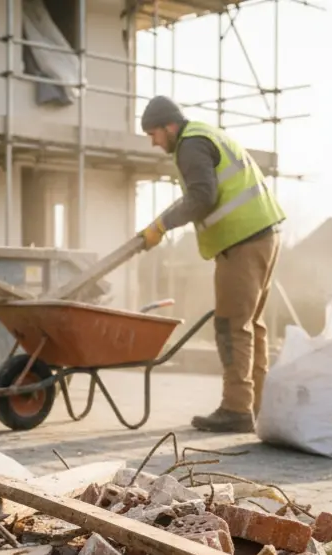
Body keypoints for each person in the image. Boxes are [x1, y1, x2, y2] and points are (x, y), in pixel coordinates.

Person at [138, 96, 287, 433]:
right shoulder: (206, 135)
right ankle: (257, 406)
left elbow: (203, 196)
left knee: (231, 325)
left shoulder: (190, 144)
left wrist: (161, 225)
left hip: (243, 240)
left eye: (154, 133)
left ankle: (236, 409)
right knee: (251, 325)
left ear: (170, 126)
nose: (153, 141)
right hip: (263, 235)